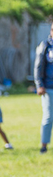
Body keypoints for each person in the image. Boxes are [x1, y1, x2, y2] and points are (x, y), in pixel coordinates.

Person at [34, 21, 53, 154]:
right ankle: (44, 145)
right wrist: (39, 84)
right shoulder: (45, 46)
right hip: (48, 87)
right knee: (48, 117)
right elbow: (38, 66)